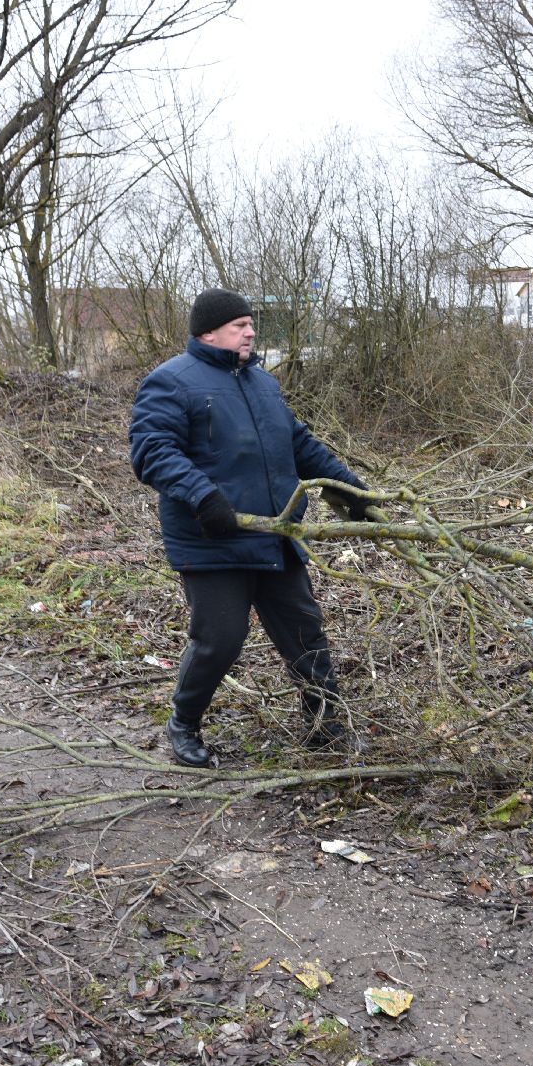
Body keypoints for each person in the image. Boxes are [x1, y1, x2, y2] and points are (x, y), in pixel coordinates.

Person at [129, 289, 372, 767]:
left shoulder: (262, 383)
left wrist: (354, 491)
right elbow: (152, 451)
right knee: (220, 638)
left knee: (304, 631)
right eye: (240, 325)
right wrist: (202, 496)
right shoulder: (170, 382)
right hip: (211, 538)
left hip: (275, 533)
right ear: (208, 332)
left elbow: (300, 444)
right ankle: (183, 723)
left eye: (250, 324)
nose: (251, 331)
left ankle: (327, 724)